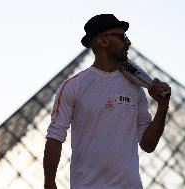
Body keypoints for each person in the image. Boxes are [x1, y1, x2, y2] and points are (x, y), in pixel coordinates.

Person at [43, 14, 171, 189]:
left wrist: (163, 107)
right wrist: (49, 183)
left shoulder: (135, 88)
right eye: (122, 36)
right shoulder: (74, 86)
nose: (128, 42)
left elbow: (148, 145)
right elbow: (55, 137)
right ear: (103, 41)